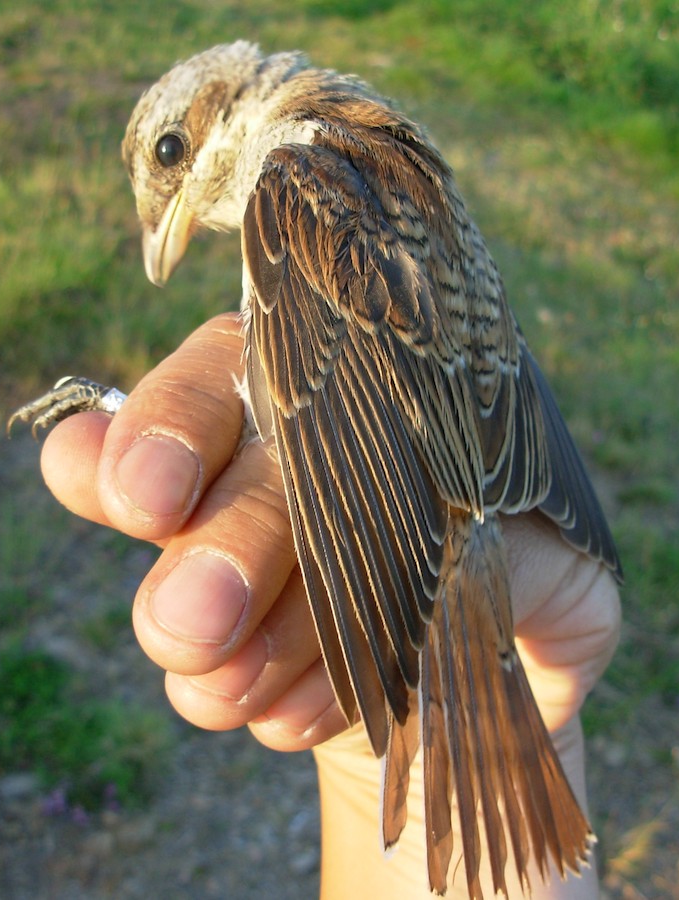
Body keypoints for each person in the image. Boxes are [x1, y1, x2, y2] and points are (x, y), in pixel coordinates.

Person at [35, 312, 622, 898]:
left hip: (455, 538)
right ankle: (413, 743)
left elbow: (317, 412)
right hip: (462, 516)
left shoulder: (295, 215)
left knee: (298, 405)